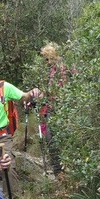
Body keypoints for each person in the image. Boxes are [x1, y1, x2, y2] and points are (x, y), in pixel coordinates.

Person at [0, 60, 42, 197]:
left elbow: (23, 96)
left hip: (2, 138)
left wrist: (32, 93)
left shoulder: (4, 87)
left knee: (6, 166)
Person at [38, 43, 68, 176]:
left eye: (50, 58)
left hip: (61, 108)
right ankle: (58, 171)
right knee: (50, 138)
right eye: (46, 59)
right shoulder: (52, 71)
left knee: (55, 139)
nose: (48, 62)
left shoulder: (62, 70)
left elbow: (62, 89)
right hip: (51, 108)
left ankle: (61, 170)